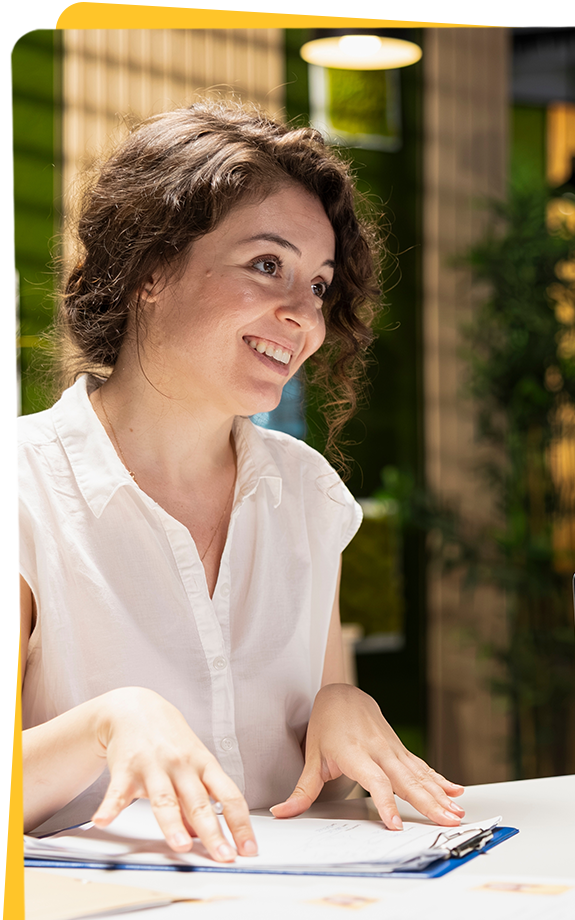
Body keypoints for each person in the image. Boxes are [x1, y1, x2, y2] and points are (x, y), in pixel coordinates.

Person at [18, 103, 465, 862]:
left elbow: (315, 776)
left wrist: (341, 704)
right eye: (267, 265)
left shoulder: (306, 494)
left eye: (319, 286)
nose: (302, 315)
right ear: (150, 269)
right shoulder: (22, 489)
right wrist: (108, 723)